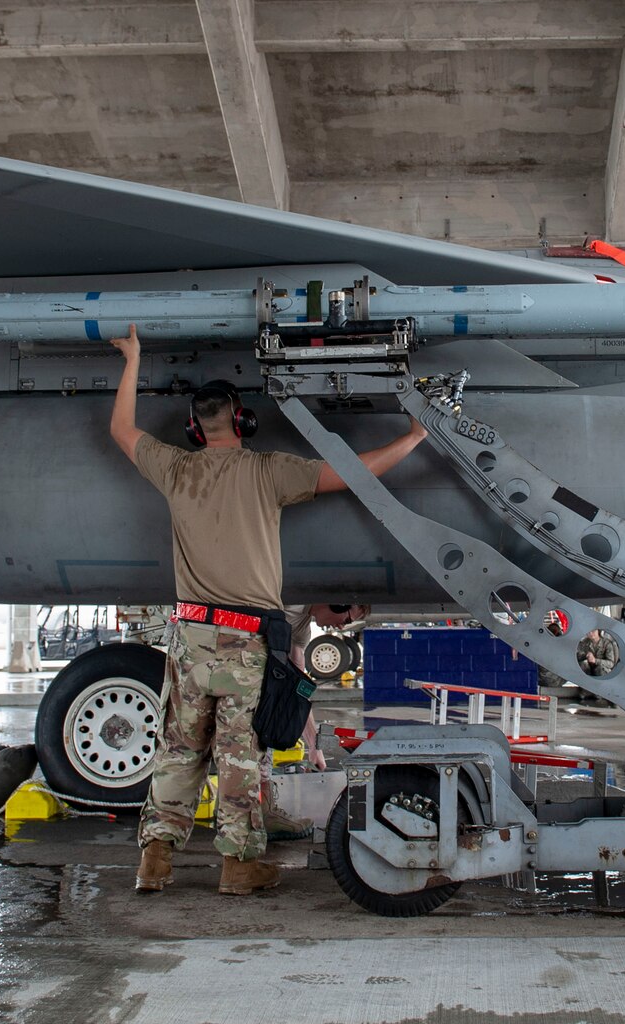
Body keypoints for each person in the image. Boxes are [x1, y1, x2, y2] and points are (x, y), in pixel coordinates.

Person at [107, 325, 426, 896]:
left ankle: (154, 860)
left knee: (179, 749)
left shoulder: (174, 470)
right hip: (243, 641)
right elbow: (355, 473)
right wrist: (414, 437)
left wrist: (134, 358)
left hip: (188, 638)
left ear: (194, 429)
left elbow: (121, 429)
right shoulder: (267, 471)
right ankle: (237, 865)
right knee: (238, 756)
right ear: (241, 421)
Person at [261, 602, 369, 841]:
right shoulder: (285, 601)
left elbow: (299, 689)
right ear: (333, 600)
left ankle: (262, 816)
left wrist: (313, 746)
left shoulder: (300, 629)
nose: (342, 625)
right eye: (346, 617)